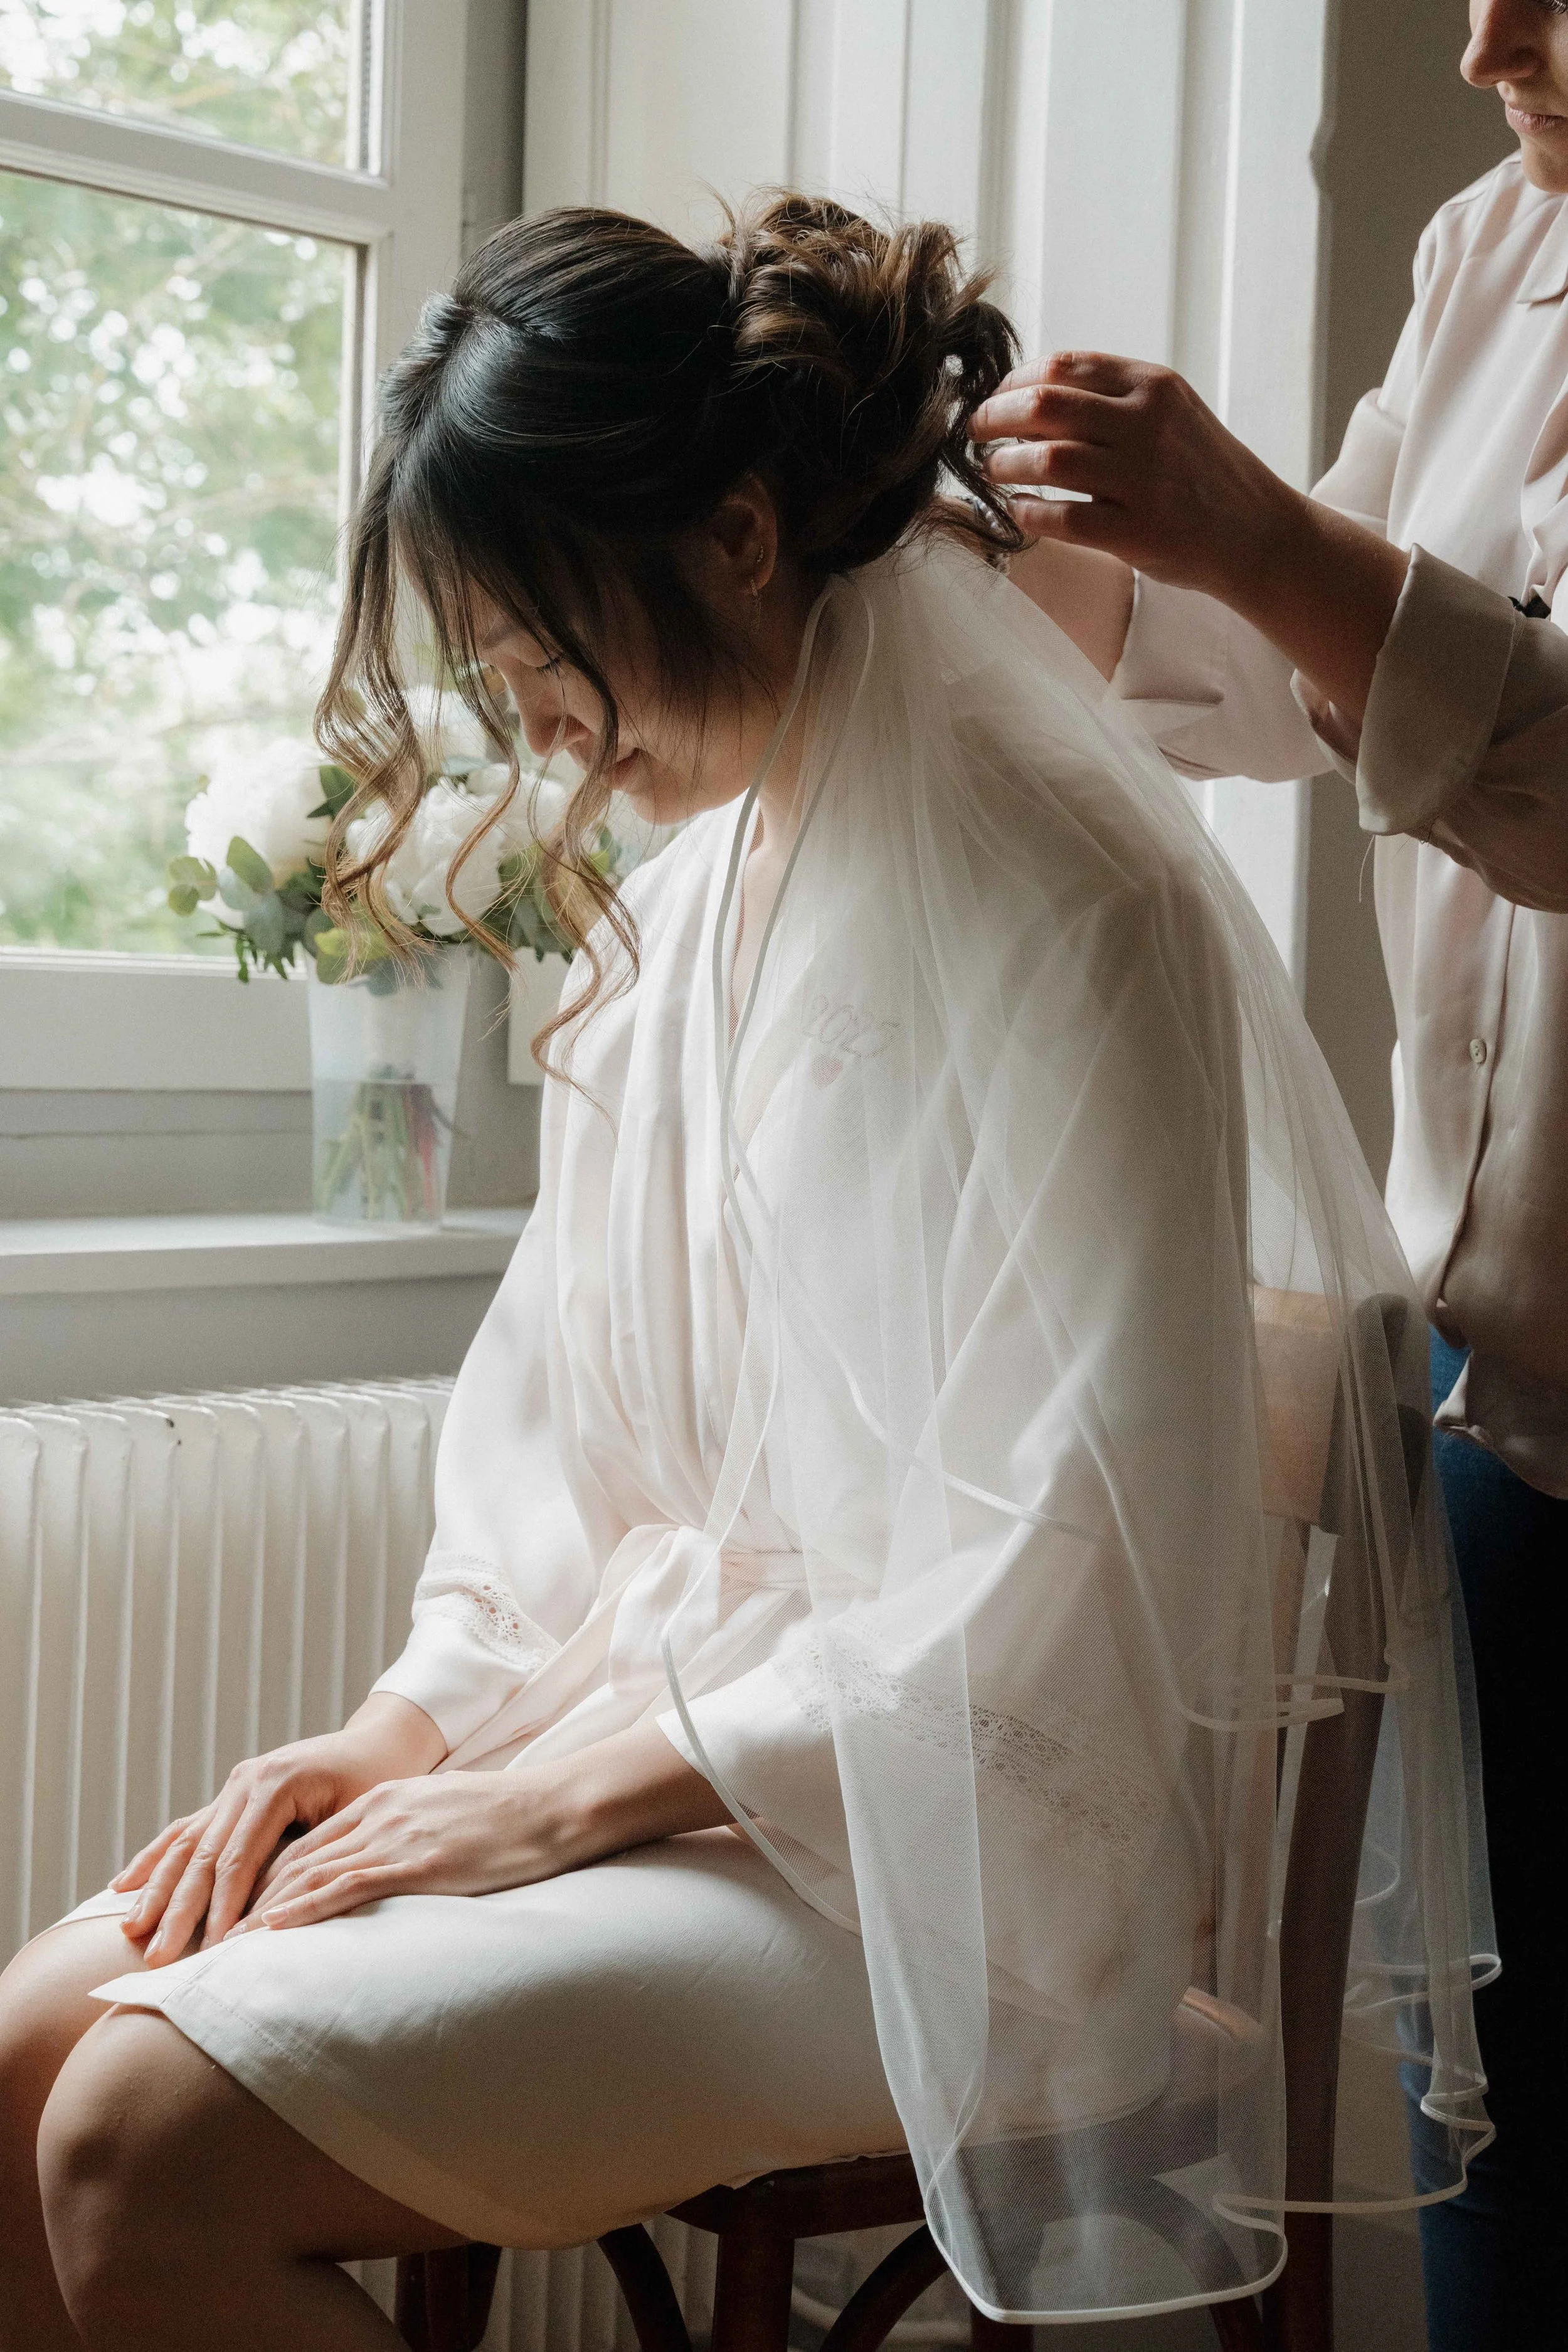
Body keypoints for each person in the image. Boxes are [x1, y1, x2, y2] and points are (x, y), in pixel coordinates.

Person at [0, 196, 1490, 2352]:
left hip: (958, 1851)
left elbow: (1043, 1583)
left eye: (545, 649)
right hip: (666, 1756)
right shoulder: (699, 895)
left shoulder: (1075, 907)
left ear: (736, 536)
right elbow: (563, 1454)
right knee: (20, 2063)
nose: (538, 731)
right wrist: (394, 1736)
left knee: (144, 2138)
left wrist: (547, 1799)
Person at [969, 8, 1568, 2346]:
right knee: (1498, 2145)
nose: (1484, 39)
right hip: (1494, 1402)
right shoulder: (1487, 242)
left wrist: (1252, 526)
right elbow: (1292, 667)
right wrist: (1050, 565)